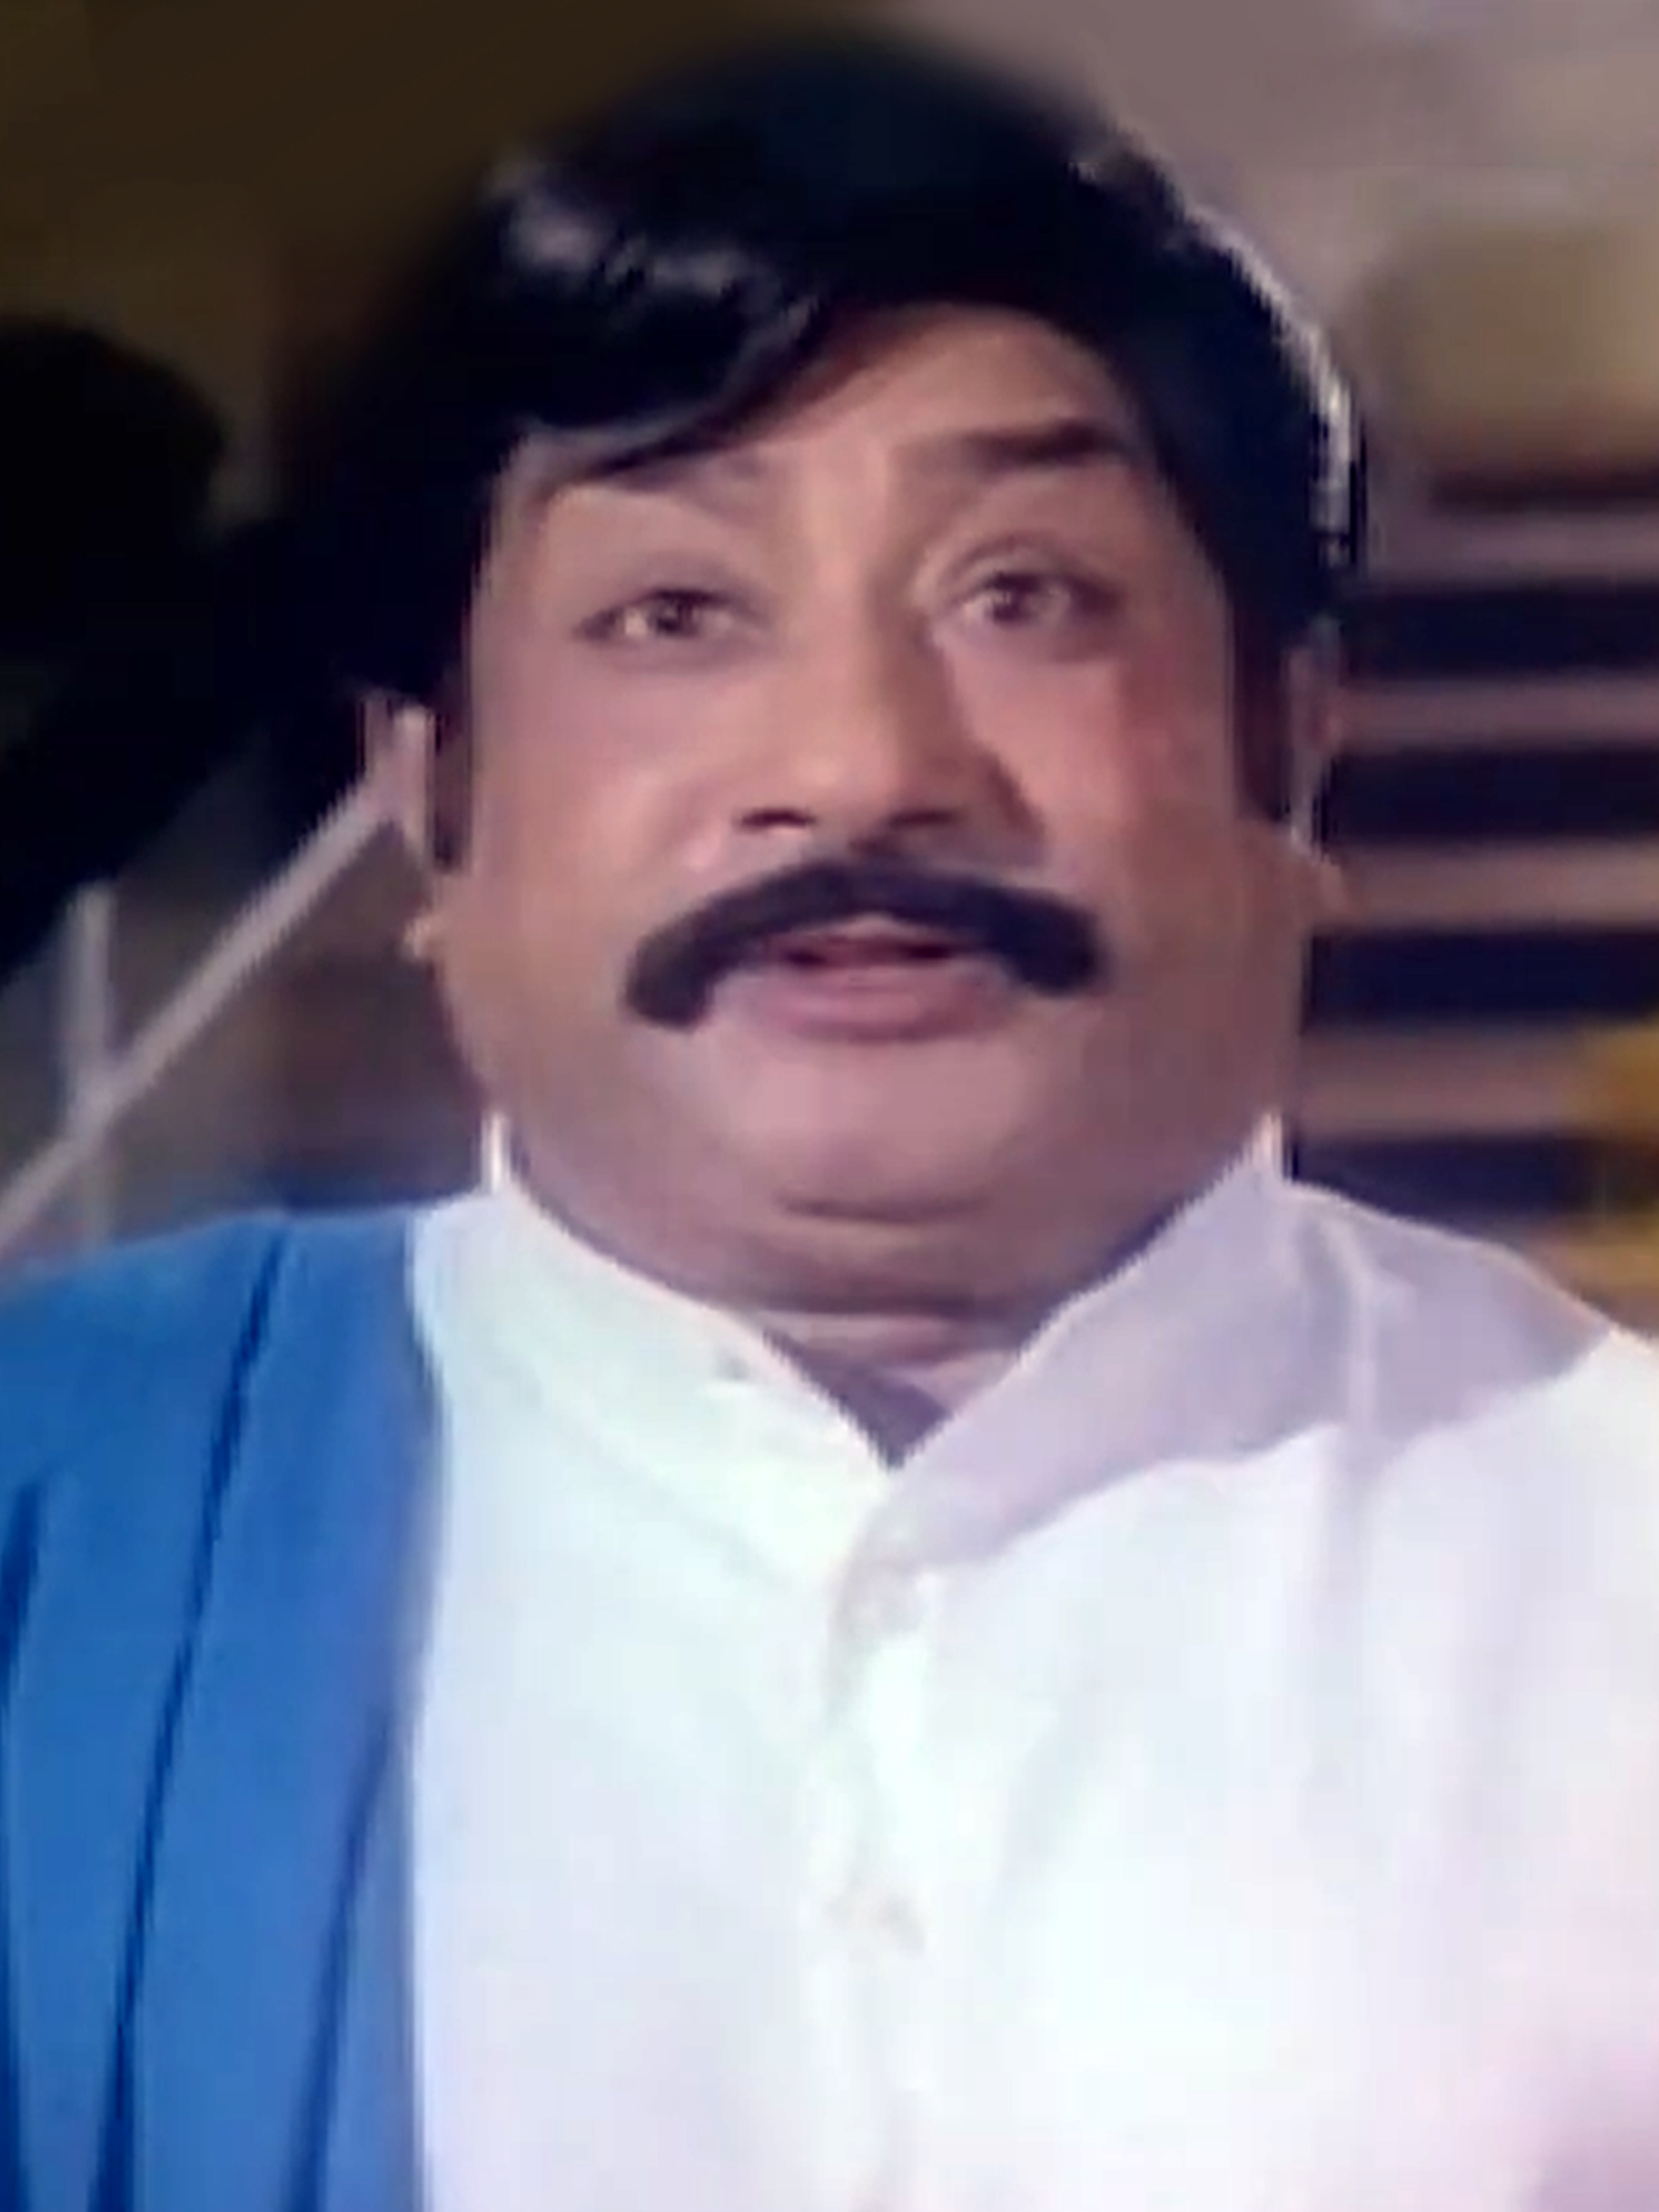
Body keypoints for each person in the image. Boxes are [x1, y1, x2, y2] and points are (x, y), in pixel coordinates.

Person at [3, 29, 1658, 2212]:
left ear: (1294, 741)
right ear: (429, 790)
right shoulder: (60, 1528)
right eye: (674, 613)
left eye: (1023, 596)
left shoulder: (1613, 1559)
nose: (863, 766)